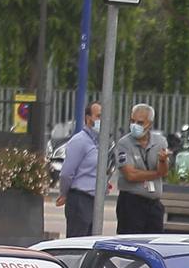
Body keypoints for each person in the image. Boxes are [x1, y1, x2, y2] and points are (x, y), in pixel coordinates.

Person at [113, 103, 171, 234]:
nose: (135, 126)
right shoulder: (124, 143)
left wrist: (162, 161)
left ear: (149, 124)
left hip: (153, 203)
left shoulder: (160, 142)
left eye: (140, 122)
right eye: (132, 121)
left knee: (154, 243)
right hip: (131, 202)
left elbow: (164, 171)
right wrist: (156, 173)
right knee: (129, 243)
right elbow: (130, 175)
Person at [53, 102, 103, 238]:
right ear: (88, 118)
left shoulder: (99, 142)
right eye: (98, 116)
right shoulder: (80, 141)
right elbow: (66, 173)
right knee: (78, 242)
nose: (102, 120)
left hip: (94, 201)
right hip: (80, 199)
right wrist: (64, 193)